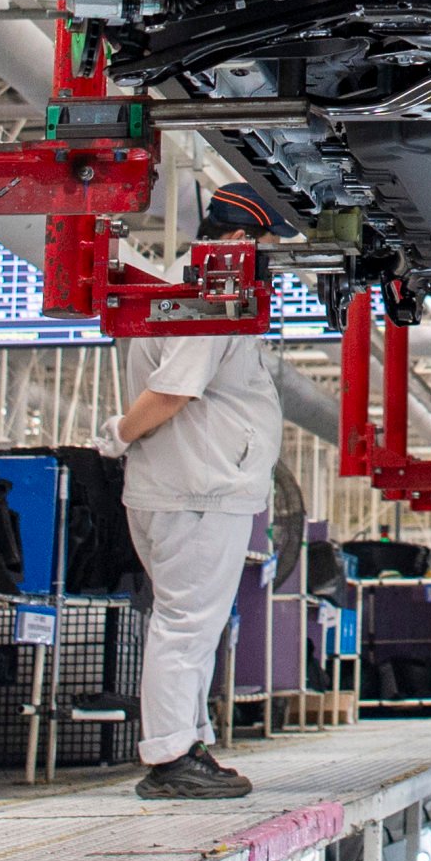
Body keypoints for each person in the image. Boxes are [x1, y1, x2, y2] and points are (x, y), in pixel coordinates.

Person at [94, 325, 285, 801]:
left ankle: (186, 745)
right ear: (240, 242)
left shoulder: (208, 294)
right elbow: (171, 392)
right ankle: (172, 758)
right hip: (197, 489)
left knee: (193, 626)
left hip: (193, 486)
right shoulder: (208, 295)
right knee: (184, 626)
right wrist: (119, 432)